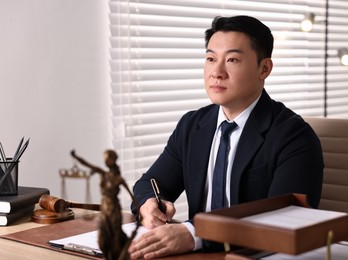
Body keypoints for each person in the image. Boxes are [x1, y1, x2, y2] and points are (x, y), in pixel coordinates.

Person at [128, 15, 324, 259]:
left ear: (264, 68)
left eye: (232, 59)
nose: (216, 72)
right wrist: (148, 206)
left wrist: (194, 234)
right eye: (211, 59)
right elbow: (149, 184)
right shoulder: (193, 125)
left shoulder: (294, 136)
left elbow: (284, 222)